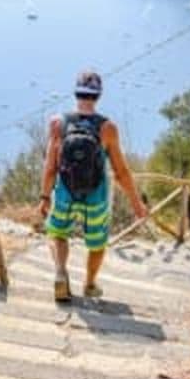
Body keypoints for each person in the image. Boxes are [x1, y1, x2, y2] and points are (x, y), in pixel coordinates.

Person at [38, 70, 147, 301]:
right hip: (96, 196)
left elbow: (50, 167)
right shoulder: (108, 128)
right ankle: (89, 284)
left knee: (57, 234)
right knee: (97, 244)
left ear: (76, 92)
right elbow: (121, 172)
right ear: (98, 96)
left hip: (65, 192)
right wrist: (136, 203)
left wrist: (45, 197)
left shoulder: (58, 123)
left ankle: (60, 272)